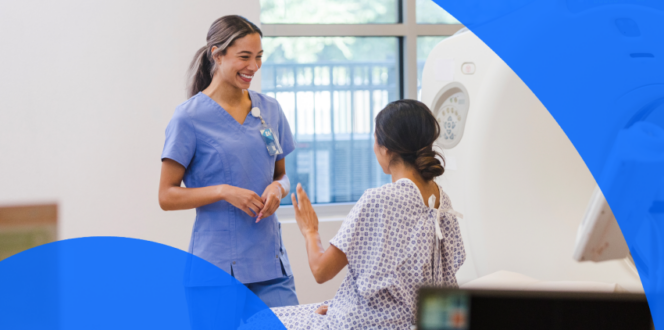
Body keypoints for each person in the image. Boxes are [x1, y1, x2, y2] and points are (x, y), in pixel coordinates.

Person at [268, 99, 466, 329]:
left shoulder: (378, 201)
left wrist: (310, 231)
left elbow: (321, 271)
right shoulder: (441, 201)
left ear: (386, 148)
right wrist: (341, 304)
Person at [158, 15, 298, 309]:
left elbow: (282, 175)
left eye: (258, 57)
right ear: (217, 55)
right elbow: (167, 195)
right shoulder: (189, 117)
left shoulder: (269, 109)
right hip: (216, 268)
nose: (253, 67)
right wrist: (223, 191)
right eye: (244, 57)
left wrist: (277, 189)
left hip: (270, 265)